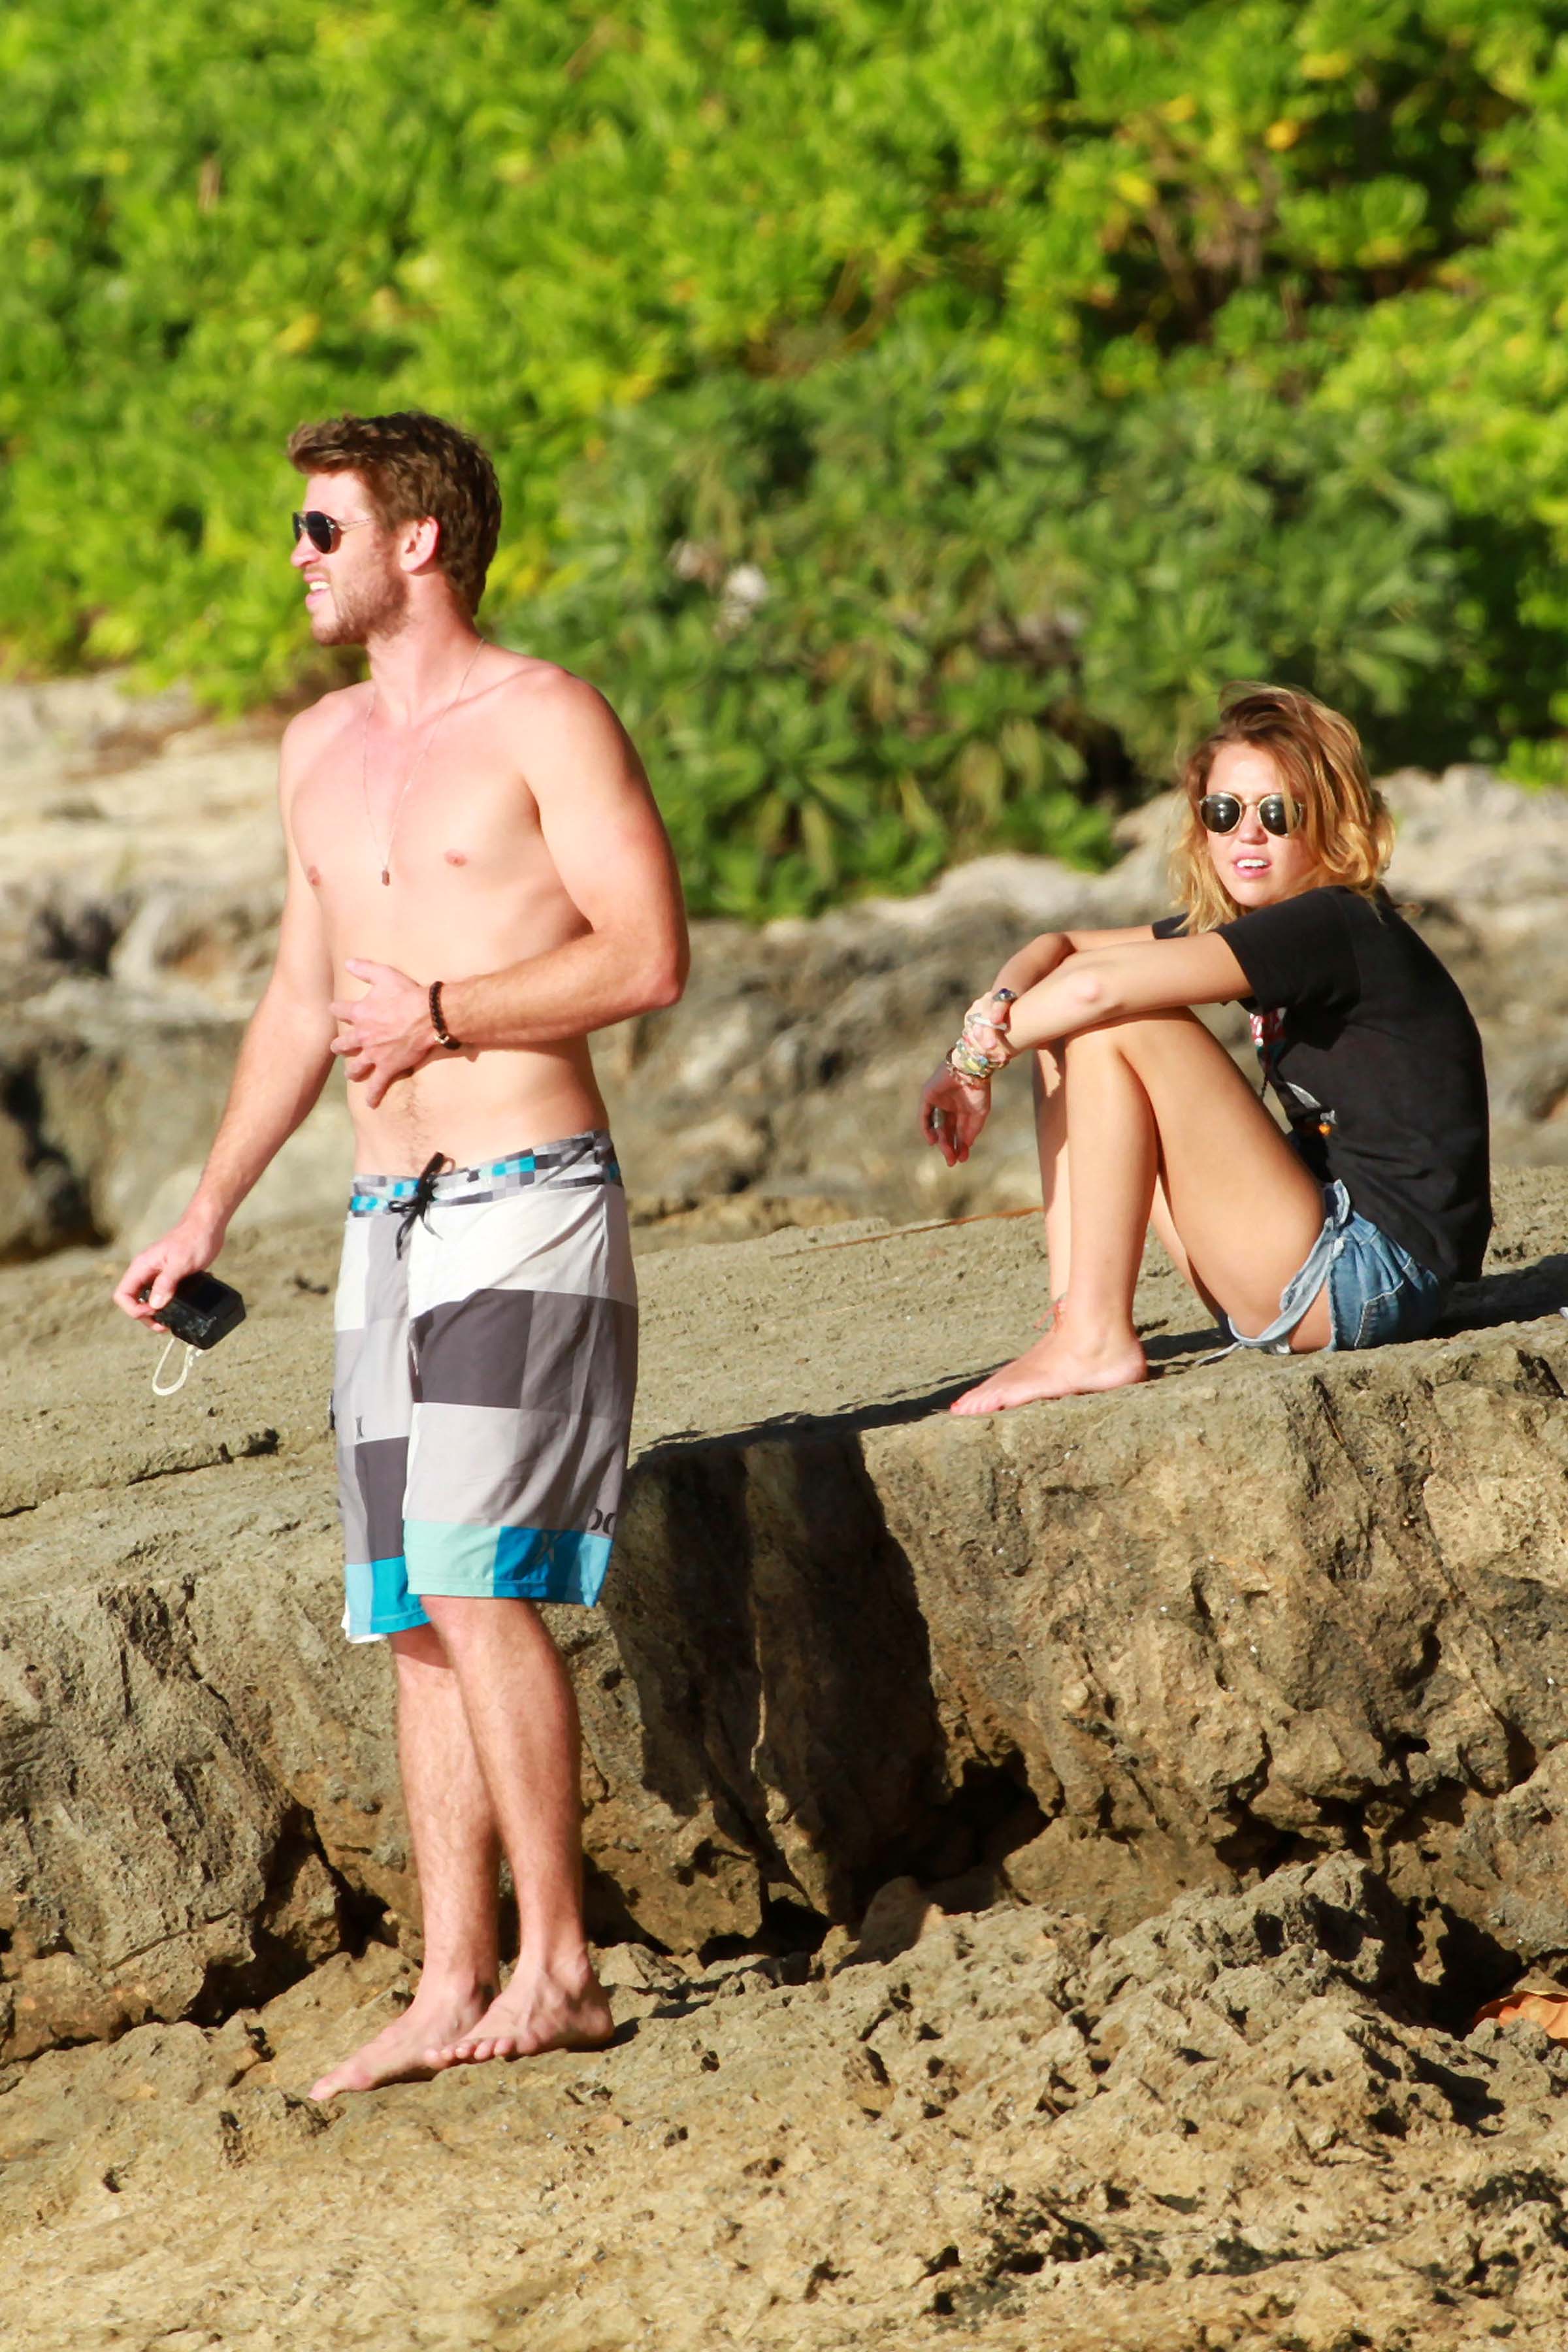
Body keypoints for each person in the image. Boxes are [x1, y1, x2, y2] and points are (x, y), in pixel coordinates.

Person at [114, 410, 689, 2096]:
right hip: (385, 1224)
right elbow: (303, 999)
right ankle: (452, 1982)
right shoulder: (319, 747)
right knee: (415, 1614)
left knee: (470, 1574)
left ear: (417, 541)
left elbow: (647, 954)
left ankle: (562, 1965)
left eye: (322, 528)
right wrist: (207, 1210)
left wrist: (445, 1008)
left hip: (529, 1194)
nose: (295, 557)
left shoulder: (548, 717)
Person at [919, 683, 1490, 1412]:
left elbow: (1095, 991)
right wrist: (997, 1009)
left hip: (1369, 1273)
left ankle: (1093, 1337)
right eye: (1224, 812)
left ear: (1334, 823)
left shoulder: (1333, 922)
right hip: (1313, 1262)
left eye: (1279, 814)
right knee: (1075, 1022)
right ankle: (1075, 1319)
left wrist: (969, 1065)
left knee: (1121, 1023)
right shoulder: (1267, 920)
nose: (1247, 835)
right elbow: (1057, 948)